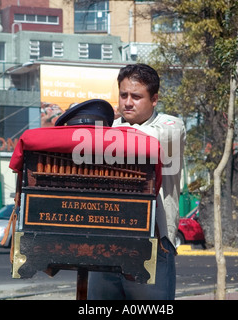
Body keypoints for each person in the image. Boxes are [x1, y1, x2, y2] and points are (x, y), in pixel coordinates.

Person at [87, 63, 186, 300]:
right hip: (105, 242)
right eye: (123, 95)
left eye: (136, 96)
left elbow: (149, 142)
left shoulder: (170, 127)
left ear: (154, 99)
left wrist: (97, 134)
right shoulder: (108, 126)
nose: (127, 102)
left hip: (154, 243)